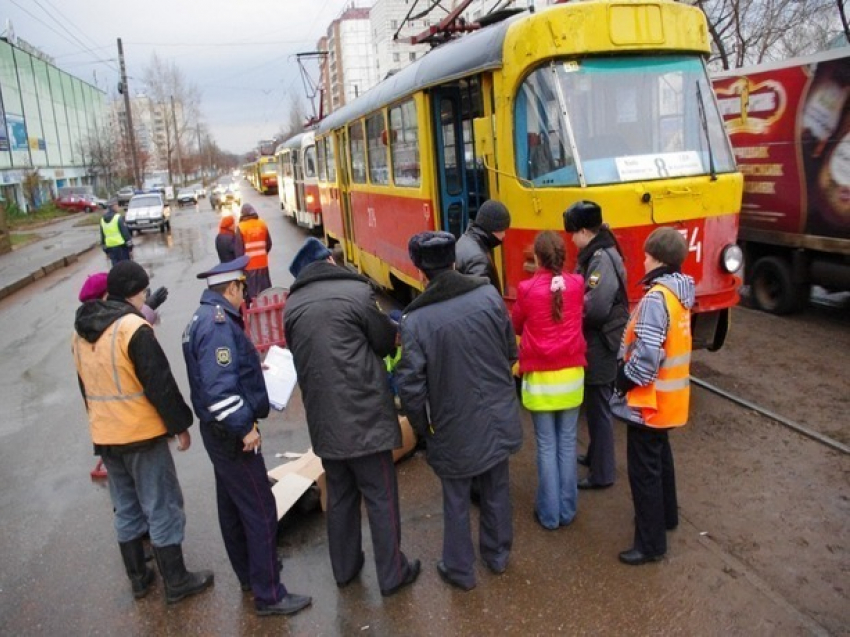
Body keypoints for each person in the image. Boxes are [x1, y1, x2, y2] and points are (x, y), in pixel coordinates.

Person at [283, 237, 421, 597]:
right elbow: (384, 340)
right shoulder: (356, 293)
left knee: (341, 496)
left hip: (325, 424)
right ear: (329, 260)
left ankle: (345, 569)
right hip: (366, 419)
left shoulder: (292, 305)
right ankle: (392, 574)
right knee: (380, 496)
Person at [72, 261, 213, 603]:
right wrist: (180, 426)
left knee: (126, 506)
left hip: (106, 436)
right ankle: (176, 582)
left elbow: (84, 388)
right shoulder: (132, 328)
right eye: (145, 291)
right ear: (137, 292)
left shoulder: (80, 332)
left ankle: (139, 579)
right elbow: (159, 383)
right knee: (161, 504)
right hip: (140, 434)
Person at [182, 255, 312, 616]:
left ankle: (250, 575)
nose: (246, 297)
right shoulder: (219, 325)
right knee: (260, 510)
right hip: (231, 433)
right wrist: (244, 428)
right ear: (231, 287)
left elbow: (220, 375)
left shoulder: (202, 318)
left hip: (216, 433)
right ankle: (270, 593)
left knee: (233, 507)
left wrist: (255, 367)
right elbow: (220, 390)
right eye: (242, 288)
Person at [396, 231, 522, 591]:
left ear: (420, 270)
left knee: (455, 499)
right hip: (497, 414)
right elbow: (509, 352)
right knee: (497, 488)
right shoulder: (487, 294)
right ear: (453, 261)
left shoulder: (415, 320)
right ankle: (497, 556)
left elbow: (411, 389)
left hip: (452, 425)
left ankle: (460, 569)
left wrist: (423, 428)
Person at [611, 227, 694, 565]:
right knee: (661, 458)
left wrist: (624, 380)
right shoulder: (679, 296)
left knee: (643, 471)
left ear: (657, 259)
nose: (642, 260)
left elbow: (646, 356)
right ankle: (666, 516)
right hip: (671, 401)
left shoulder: (656, 299)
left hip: (649, 401)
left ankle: (650, 544)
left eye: (646, 255)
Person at [511, 231, 586, 530]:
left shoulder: (527, 290)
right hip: (572, 378)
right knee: (567, 444)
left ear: (538, 258)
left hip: (541, 381)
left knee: (546, 446)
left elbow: (516, 323)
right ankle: (568, 510)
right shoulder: (578, 285)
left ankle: (549, 514)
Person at [563, 201, 629, 489]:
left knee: (599, 407)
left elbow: (596, 307)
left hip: (601, 340)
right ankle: (594, 456)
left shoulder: (600, 258)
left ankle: (603, 474)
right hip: (602, 337)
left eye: (573, 234)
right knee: (594, 404)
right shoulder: (600, 250)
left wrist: (569, 316)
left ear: (585, 231)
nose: (571, 240)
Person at [455, 199, 511, 293]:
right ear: (493, 228)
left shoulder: (465, 239)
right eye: (502, 230)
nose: (504, 235)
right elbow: (481, 301)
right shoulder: (479, 260)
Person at [79, 272, 169, 325]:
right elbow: (132, 331)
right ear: (104, 296)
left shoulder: (85, 321)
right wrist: (147, 307)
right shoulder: (104, 321)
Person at [235, 203, 272, 303]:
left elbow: (239, 250)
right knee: (265, 291)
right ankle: (267, 308)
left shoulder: (241, 227)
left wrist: (240, 266)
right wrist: (263, 254)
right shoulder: (262, 224)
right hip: (263, 263)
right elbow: (269, 244)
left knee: (252, 293)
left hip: (249, 266)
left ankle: (254, 311)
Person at [100, 202, 133, 266]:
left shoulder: (102, 220)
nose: (118, 207)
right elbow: (125, 234)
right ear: (113, 207)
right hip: (121, 247)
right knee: (126, 267)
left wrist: (106, 250)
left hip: (110, 247)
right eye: (117, 206)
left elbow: (102, 236)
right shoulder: (118, 218)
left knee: (116, 268)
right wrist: (130, 247)